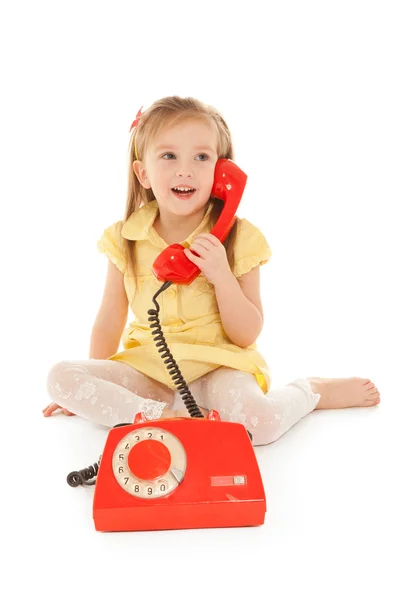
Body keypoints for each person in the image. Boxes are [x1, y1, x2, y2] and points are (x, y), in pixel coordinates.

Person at [43, 95, 381, 446]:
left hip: (217, 367)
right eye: (169, 156)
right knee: (60, 377)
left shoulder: (239, 238)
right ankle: (163, 415)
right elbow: (110, 319)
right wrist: (95, 388)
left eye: (201, 157)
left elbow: (246, 334)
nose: (185, 169)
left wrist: (221, 275)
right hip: (149, 369)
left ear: (222, 173)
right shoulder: (124, 238)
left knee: (260, 425)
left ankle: (311, 391)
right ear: (143, 172)